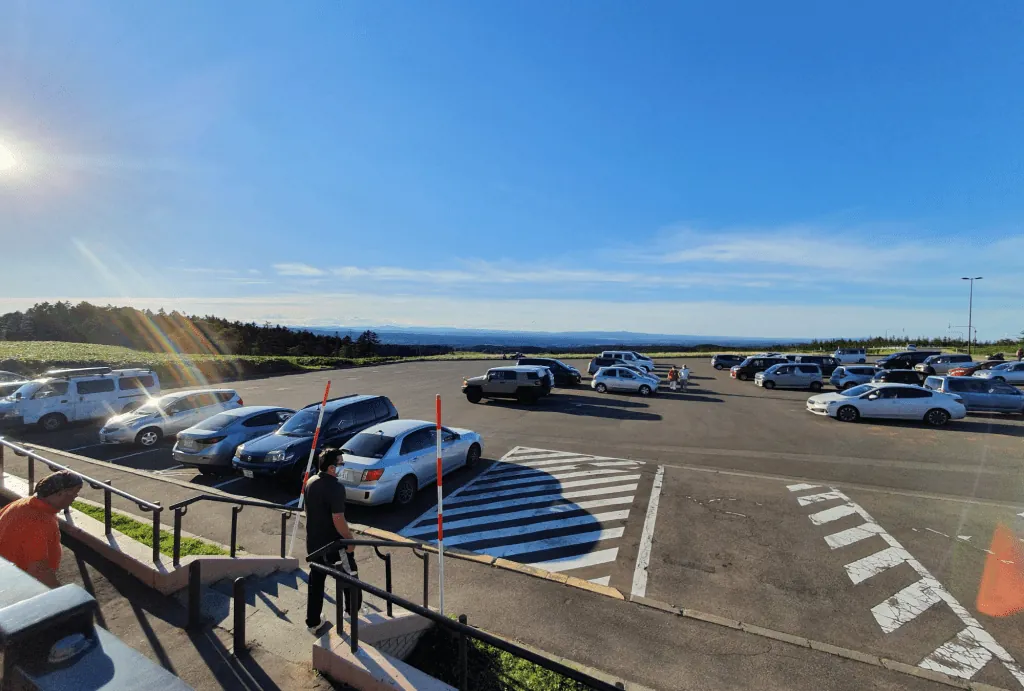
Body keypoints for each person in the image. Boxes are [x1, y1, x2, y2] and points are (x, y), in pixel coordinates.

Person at [304, 447, 357, 634]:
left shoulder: (310, 482)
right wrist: (350, 540)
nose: (343, 466)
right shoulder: (336, 488)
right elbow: (338, 519)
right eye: (341, 463)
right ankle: (352, 613)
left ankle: (313, 622)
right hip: (335, 545)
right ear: (332, 468)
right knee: (350, 576)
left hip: (314, 544)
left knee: (316, 581)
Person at [0, 470, 83, 587]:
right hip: (19, 585)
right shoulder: (40, 522)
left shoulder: (22, 504)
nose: (75, 497)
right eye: (74, 492)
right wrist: (60, 595)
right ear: (60, 494)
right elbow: (38, 570)